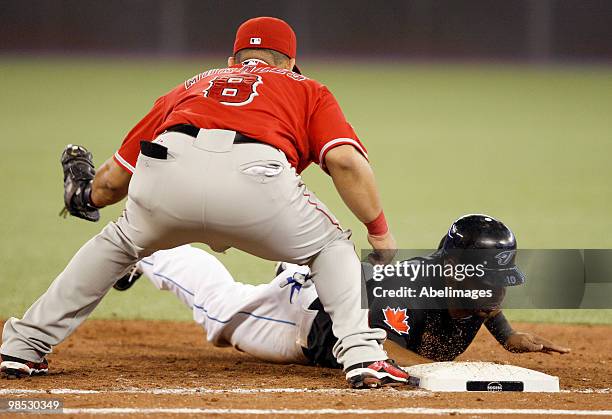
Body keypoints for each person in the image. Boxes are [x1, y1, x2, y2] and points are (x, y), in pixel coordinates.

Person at [1, 17, 402, 388]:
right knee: (331, 246)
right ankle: (363, 354)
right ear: (292, 62)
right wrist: (379, 233)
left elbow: (111, 182)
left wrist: (84, 196)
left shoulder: (191, 85)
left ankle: (23, 346)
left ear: (232, 60)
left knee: (118, 244)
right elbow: (345, 161)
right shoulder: (307, 87)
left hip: (167, 171)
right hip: (256, 180)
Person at [112, 214, 570, 369]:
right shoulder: (405, 292)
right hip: (303, 322)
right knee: (219, 313)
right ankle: (145, 251)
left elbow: (482, 305)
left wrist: (508, 335)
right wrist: (436, 370)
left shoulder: (466, 288)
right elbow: (374, 347)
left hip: (335, 285)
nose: (496, 292)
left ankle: (295, 262)